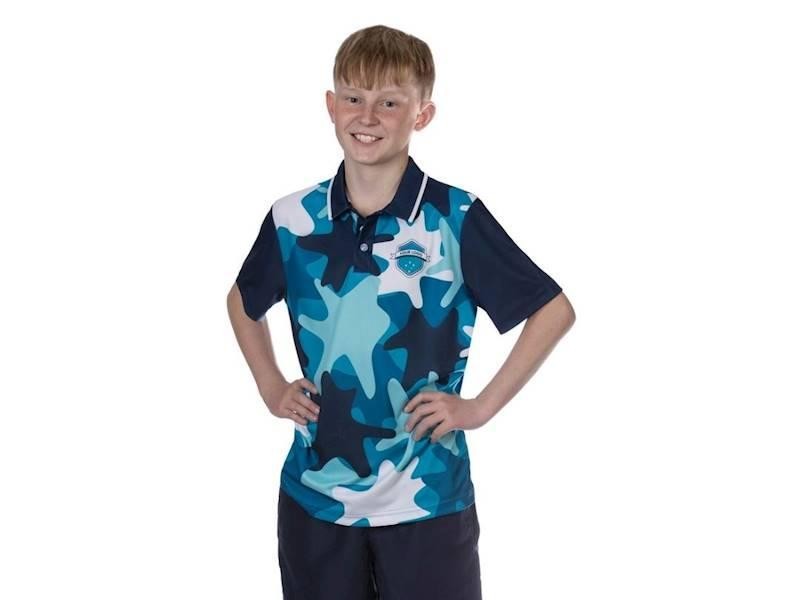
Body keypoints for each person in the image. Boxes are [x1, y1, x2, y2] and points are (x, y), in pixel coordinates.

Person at [227, 24, 575, 600]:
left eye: (389, 102)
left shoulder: (454, 217)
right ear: (331, 106)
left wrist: (480, 407)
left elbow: (552, 310)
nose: (367, 116)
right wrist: (269, 384)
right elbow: (243, 300)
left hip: (428, 499)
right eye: (354, 98)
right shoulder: (293, 218)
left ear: (422, 115)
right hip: (316, 497)